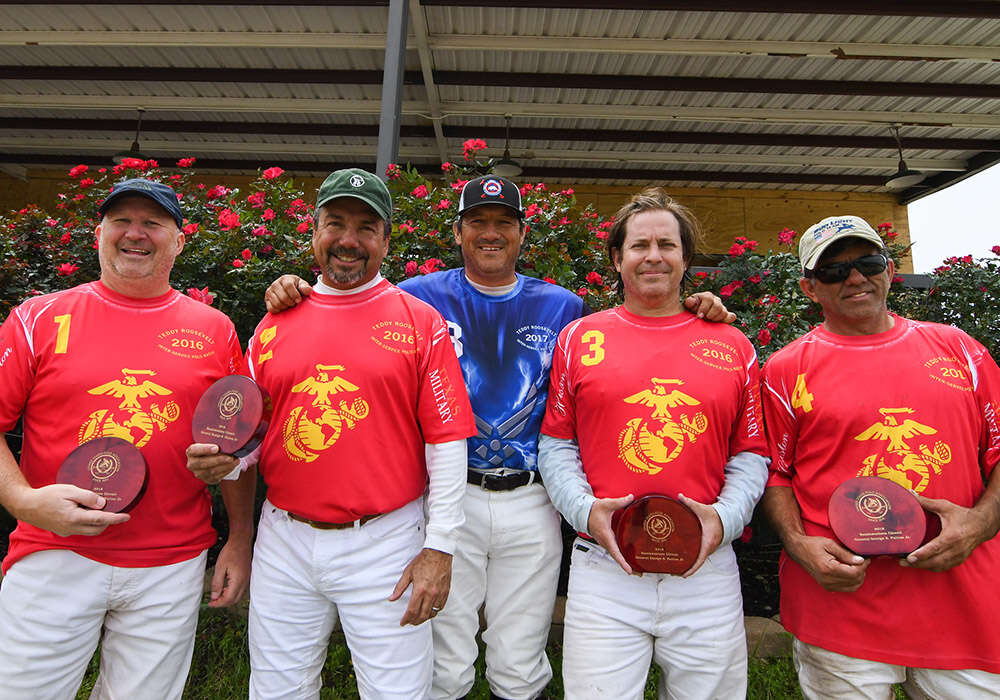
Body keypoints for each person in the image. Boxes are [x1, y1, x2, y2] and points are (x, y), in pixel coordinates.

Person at [265, 175, 733, 700]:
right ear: (459, 232)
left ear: (521, 234)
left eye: (503, 223)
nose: (491, 233)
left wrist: (698, 308)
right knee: (445, 657)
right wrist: (292, 288)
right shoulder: (417, 298)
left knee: (520, 657)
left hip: (532, 499)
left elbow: (636, 330)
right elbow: (349, 306)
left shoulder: (563, 307)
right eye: (478, 223)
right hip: (451, 494)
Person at [0, 178, 255, 700]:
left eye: (152, 223)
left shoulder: (215, 330)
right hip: (55, 551)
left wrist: (240, 538)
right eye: (121, 221)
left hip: (172, 563)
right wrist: (24, 500)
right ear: (99, 233)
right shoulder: (37, 319)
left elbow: (238, 445)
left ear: (179, 241)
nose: (134, 234)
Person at [226, 168, 475, 700]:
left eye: (366, 228)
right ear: (313, 233)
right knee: (276, 689)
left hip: (384, 541)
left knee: (397, 692)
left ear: (386, 240)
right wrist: (224, 460)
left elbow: (448, 443)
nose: (348, 240)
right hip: (284, 537)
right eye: (335, 223)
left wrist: (440, 548)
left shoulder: (420, 321)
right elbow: (251, 431)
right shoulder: (274, 323)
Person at [537, 187, 769, 699]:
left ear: (686, 258)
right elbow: (557, 444)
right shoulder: (580, 338)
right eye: (640, 245)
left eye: (667, 244)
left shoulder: (732, 344)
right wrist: (585, 511)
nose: (654, 256)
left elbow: (751, 452)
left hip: (705, 567)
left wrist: (724, 520)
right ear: (618, 258)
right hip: (604, 564)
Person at [760, 215, 1000, 698]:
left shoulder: (961, 352)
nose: (854, 278)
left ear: (889, 269)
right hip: (843, 606)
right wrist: (797, 544)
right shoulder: (786, 370)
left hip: (962, 601)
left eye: (867, 262)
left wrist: (980, 523)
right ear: (810, 288)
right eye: (833, 272)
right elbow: (774, 474)